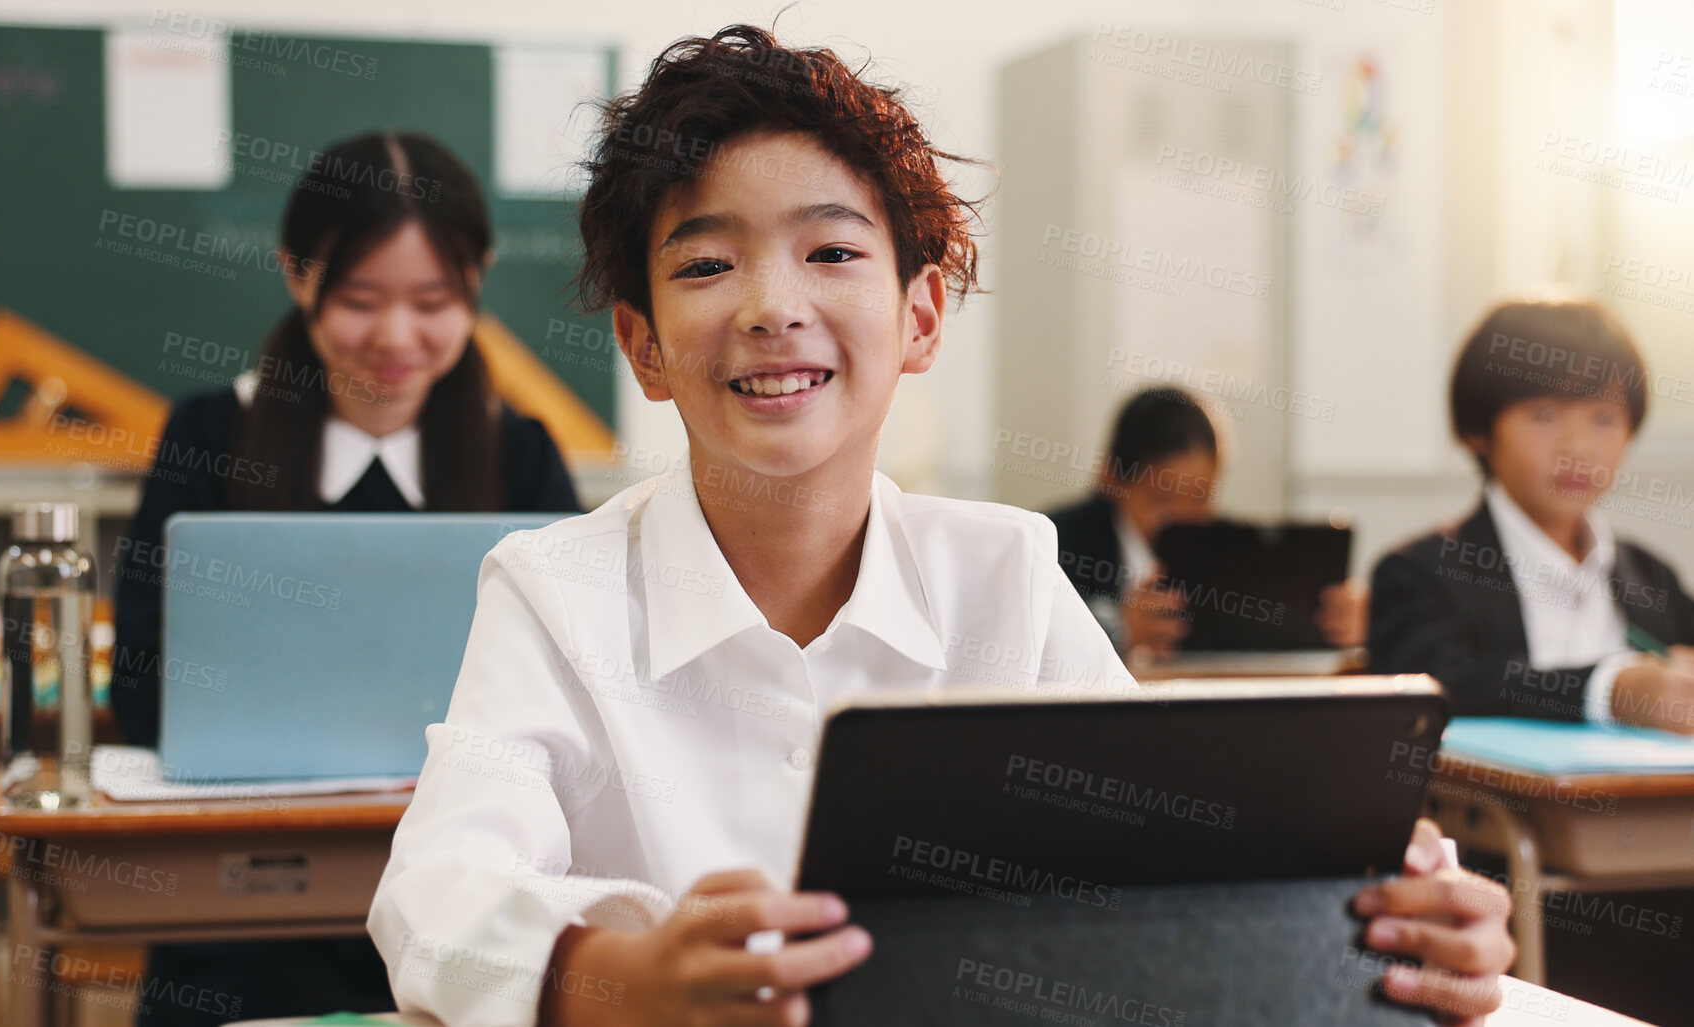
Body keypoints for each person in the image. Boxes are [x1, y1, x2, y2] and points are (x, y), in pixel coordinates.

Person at [369, 26, 1514, 1027]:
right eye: (709, 263)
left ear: (920, 317)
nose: (773, 305)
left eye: (831, 251)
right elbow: (437, 888)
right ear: (646, 345)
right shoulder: (552, 588)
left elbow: (1180, 849)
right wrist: (617, 981)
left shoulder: (1006, 572)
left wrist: (1397, 915)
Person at [108, 131, 579, 1026]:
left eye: (434, 301)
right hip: (243, 900)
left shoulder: (518, 454)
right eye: (360, 300)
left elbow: (575, 693)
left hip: (462, 895)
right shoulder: (210, 436)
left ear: (476, 278)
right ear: (297, 274)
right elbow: (140, 680)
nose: (396, 338)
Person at [1368, 293, 1694, 730]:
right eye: (1545, 415)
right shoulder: (1420, 574)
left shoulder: (1652, 577)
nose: (1578, 448)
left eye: (1604, 418)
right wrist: (1609, 691)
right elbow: (1440, 687)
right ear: (1479, 433)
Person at [1048, 387, 1365, 658]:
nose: (1184, 515)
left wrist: (1346, 621)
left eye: (1200, 498)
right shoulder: (1056, 545)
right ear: (1110, 479)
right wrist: (1119, 630)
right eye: (1162, 499)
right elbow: (1034, 646)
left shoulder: (1239, 549)